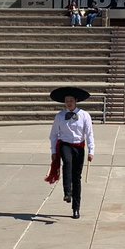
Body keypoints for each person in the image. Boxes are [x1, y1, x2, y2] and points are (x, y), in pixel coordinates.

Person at [45, 86, 95, 219]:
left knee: (77, 177)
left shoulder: (85, 115)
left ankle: (76, 208)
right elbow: (53, 135)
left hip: (79, 147)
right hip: (65, 145)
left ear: (76, 101)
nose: (69, 103)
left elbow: (89, 134)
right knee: (67, 163)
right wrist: (53, 151)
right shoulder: (60, 116)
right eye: (67, 101)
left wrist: (91, 151)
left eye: (71, 100)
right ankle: (67, 192)